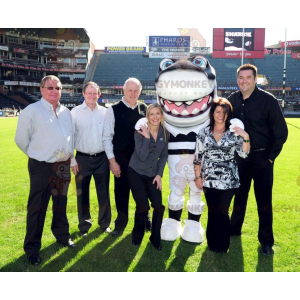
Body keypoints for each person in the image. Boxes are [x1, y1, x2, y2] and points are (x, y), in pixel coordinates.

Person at [15, 75, 76, 266]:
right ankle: (32, 249)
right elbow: (21, 140)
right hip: (41, 166)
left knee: (61, 204)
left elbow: (69, 138)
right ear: (41, 90)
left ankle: (62, 236)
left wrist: (71, 158)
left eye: (57, 88)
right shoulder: (31, 111)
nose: (54, 91)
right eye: (50, 87)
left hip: (63, 166)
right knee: (37, 208)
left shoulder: (66, 112)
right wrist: (36, 154)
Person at [229, 64, 288, 255]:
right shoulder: (233, 100)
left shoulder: (268, 100)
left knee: (263, 201)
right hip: (241, 157)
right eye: (240, 78)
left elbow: (281, 133)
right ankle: (234, 230)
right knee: (239, 196)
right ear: (237, 79)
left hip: (263, 158)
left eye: (248, 77)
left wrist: (270, 159)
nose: (244, 81)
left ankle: (266, 242)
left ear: (255, 79)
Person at [194, 98, 250, 253]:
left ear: (228, 115)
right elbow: (197, 157)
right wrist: (198, 177)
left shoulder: (234, 133)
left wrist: (245, 136)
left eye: (224, 112)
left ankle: (223, 245)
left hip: (229, 181)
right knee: (213, 211)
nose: (221, 115)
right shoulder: (203, 133)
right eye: (218, 111)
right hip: (209, 180)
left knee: (223, 212)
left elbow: (244, 154)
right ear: (213, 113)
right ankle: (212, 243)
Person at [102, 78, 148, 236]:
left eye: (136, 90)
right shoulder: (113, 109)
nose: (133, 93)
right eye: (130, 90)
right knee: (121, 193)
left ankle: (144, 221)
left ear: (140, 91)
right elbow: (106, 138)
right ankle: (120, 224)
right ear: (124, 90)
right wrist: (112, 161)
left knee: (142, 192)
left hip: (141, 160)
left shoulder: (145, 109)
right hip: (121, 160)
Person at [71, 82, 111, 237]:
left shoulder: (105, 112)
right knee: (82, 194)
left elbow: (110, 137)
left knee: (104, 193)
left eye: (95, 93)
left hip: (102, 158)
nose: (92, 96)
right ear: (84, 94)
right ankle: (84, 226)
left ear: (99, 95)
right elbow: (70, 137)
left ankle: (105, 224)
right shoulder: (75, 112)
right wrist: (71, 159)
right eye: (89, 93)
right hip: (82, 158)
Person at [127, 103, 168, 250]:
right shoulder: (140, 131)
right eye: (152, 114)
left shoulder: (164, 132)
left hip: (152, 174)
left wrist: (159, 175)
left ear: (161, 116)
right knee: (143, 207)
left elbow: (163, 155)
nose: (155, 117)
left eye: (158, 114)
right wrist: (147, 138)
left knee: (158, 206)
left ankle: (155, 238)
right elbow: (142, 156)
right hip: (136, 172)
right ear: (148, 116)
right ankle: (137, 236)